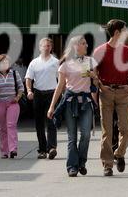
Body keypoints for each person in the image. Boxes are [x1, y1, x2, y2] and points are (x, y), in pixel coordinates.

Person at [47, 36, 99, 177]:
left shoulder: (91, 61)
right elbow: (59, 87)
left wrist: (94, 76)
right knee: (72, 137)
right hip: (70, 102)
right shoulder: (65, 64)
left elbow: (97, 83)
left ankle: (81, 162)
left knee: (86, 135)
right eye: (83, 43)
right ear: (76, 46)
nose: (86, 45)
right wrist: (52, 107)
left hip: (86, 102)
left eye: (86, 43)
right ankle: (72, 166)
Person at [93, 19, 128, 177]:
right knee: (107, 131)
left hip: (123, 92)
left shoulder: (127, 50)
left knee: (126, 129)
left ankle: (119, 153)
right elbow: (94, 72)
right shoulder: (100, 50)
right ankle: (107, 165)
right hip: (106, 92)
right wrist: (99, 86)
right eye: (124, 30)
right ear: (117, 32)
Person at [25, 38, 59, 160]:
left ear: (51, 47)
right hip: (38, 94)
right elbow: (28, 78)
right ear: (39, 47)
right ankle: (42, 150)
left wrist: (61, 92)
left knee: (51, 121)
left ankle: (51, 148)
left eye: (49, 46)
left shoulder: (56, 62)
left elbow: (60, 80)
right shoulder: (34, 63)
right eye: (44, 46)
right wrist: (29, 90)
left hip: (52, 93)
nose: (47, 47)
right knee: (39, 123)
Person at [0, 54, 24, 159]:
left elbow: (21, 88)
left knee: (11, 125)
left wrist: (17, 97)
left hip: (12, 103)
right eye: (3, 62)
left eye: (7, 62)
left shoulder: (14, 74)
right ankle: (4, 151)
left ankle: (13, 149)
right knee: (2, 128)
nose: (5, 64)